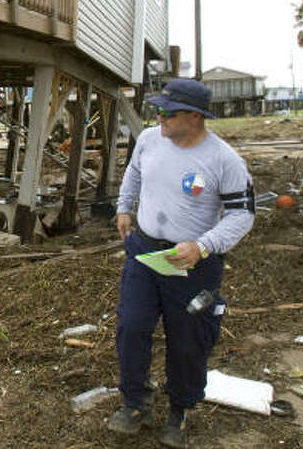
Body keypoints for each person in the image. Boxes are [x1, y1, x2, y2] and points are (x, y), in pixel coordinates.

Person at [107, 78, 255, 448]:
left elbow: (242, 215)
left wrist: (204, 246)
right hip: (144, 253)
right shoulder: (150, 140)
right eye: (158, 111)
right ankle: (136, 400)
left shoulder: (224, 160)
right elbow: (135, 173)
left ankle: (180, 409)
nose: (160, 118)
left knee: (189, 340)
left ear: (194, 116)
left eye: (168, 113)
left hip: (191, 263)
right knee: (132, 327)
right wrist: (125, 207)